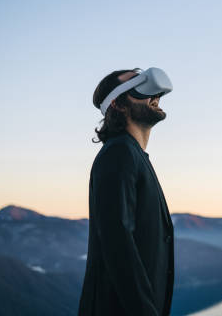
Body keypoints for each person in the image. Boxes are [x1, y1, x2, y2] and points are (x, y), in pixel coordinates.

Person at [78, 67, 174, 316]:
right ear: (118, 105)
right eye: (138, 86)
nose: (155, 95)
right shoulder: (118, 154)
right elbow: (117, 243)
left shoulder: (133, 155)